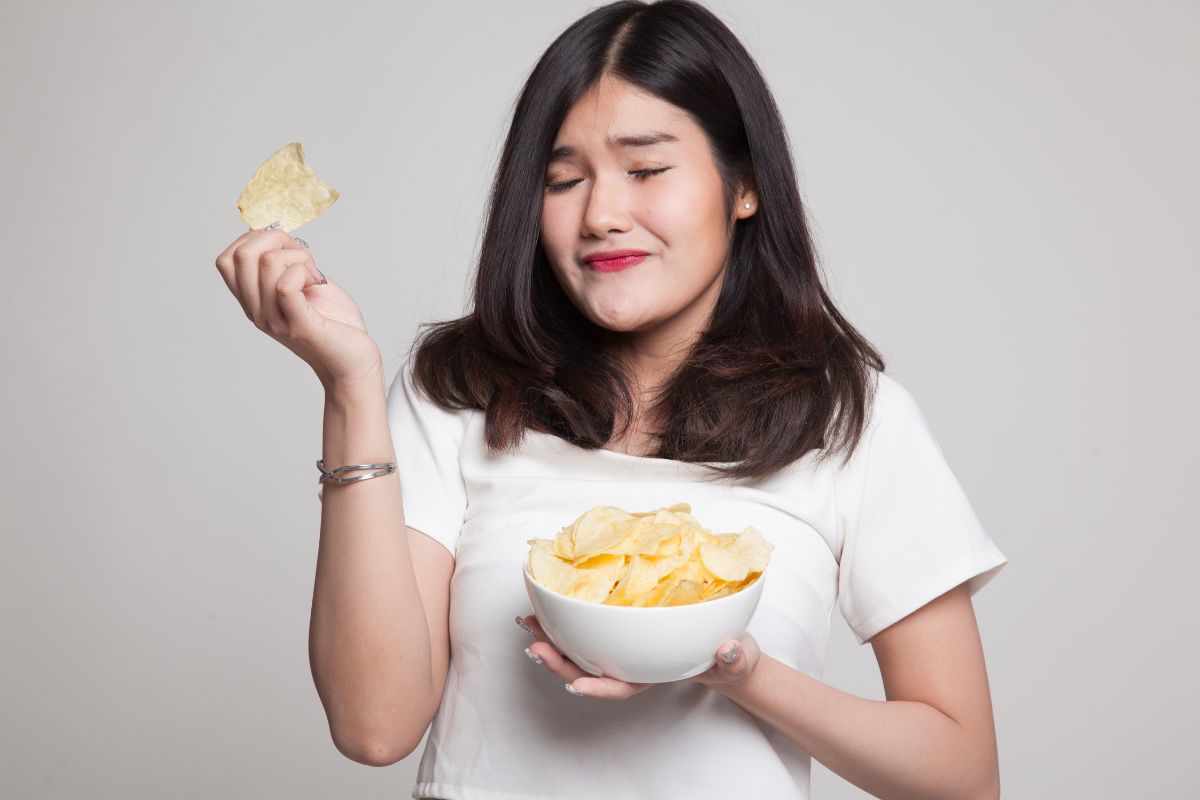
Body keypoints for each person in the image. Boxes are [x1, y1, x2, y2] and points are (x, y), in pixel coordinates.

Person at [214, 1, 1008, 797]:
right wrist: (348, 384)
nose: (600, 214)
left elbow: (961, 775)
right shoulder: (457, 393)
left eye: (647, 169)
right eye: (564, 179)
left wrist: (739, 672)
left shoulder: (851, 418)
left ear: (746, 186)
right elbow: (373, 725)